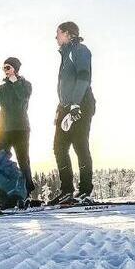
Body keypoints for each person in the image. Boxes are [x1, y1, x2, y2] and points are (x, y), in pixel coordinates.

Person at [50, 21, 95, 205]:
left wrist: (75, 104)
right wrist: (60, 108)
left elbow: (84, 76)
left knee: (80, 146)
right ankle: (67, 191)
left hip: (81, 103)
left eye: (58, 33)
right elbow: (64, 86)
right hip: (65, 107)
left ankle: (85, 191)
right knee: (59, 147)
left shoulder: (80, 50)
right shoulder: (65, 54)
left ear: (68, 34)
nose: (56, 37)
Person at [0, 57, 35, 198]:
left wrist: (15, 82)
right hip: (2, 130)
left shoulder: (26, 85)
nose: (5, 71)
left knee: (23, 160)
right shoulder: (2, 88)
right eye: (4, 68)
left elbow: (23, 97)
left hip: (20, 129)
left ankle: (26, 192)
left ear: (15, 69)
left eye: (8, 67)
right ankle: (4, 192)